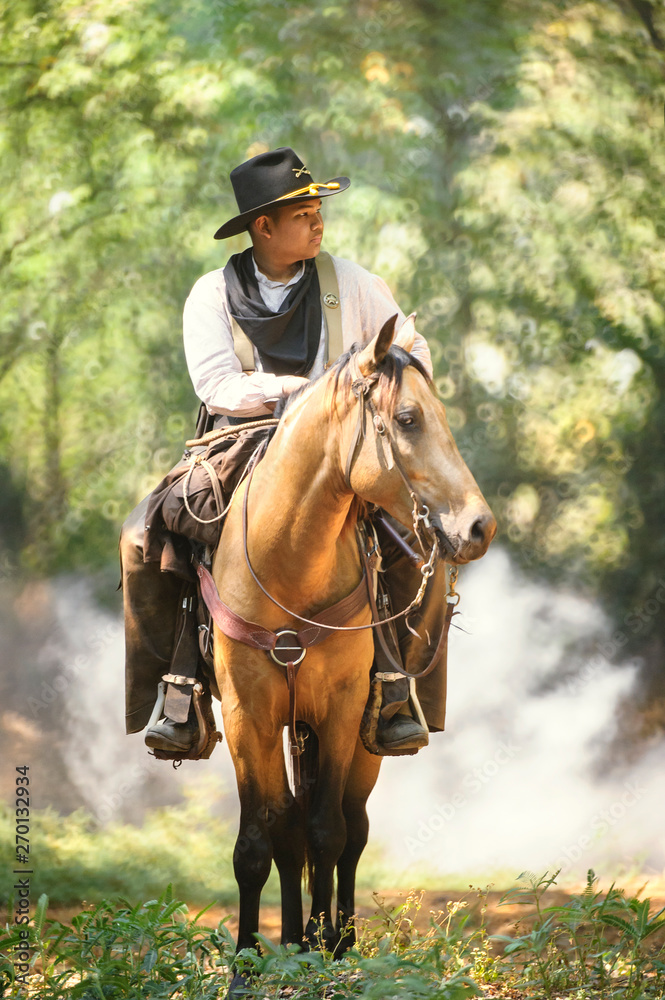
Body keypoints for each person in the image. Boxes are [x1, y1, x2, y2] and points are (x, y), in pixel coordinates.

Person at [120, 146, 447, 757]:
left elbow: (412, 347)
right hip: (239, 438)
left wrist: (388, 388)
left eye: (319, 207)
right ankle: (180, 685)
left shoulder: (352, 282)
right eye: (303, 212)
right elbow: (217, 386)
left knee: (422, 537)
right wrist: (299, 391)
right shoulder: (209, 295)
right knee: (144, 538)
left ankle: (400, 686)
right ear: (263, 226)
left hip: (341, 446)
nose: (318, 220)